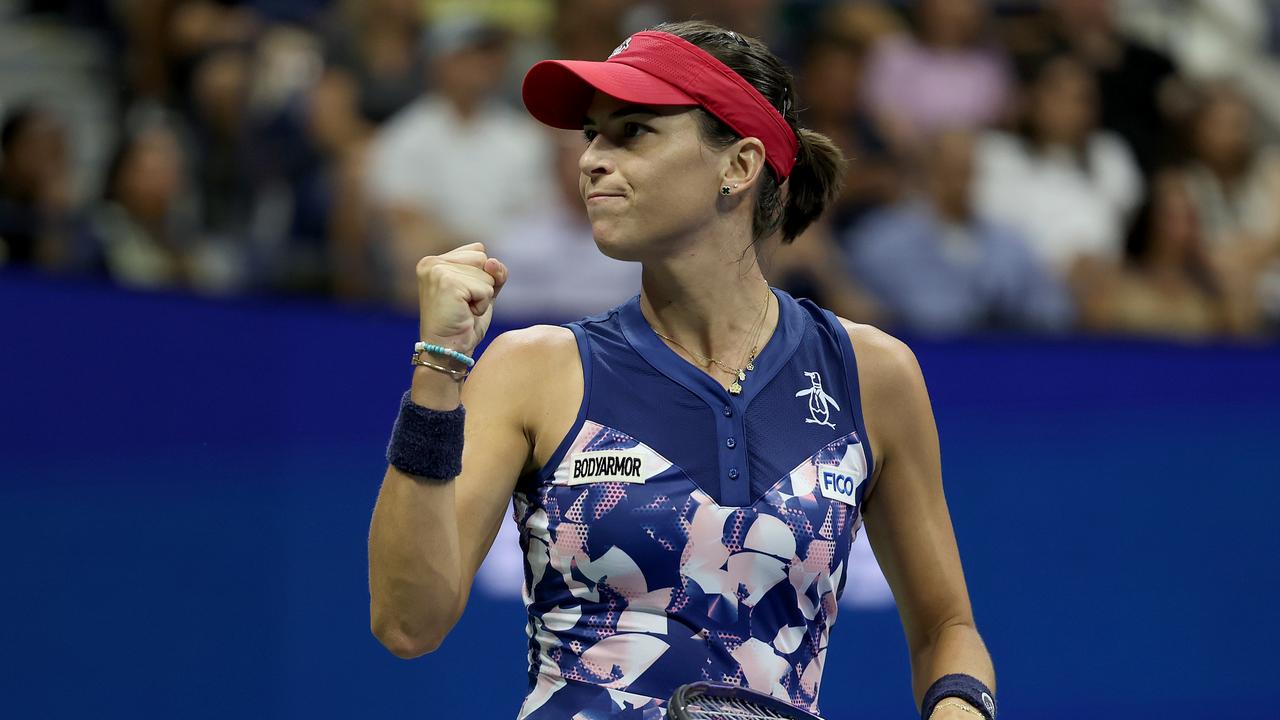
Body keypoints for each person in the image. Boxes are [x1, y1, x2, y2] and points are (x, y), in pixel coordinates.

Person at [367, 21, 996, 720]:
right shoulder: (532, 369)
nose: (591, 160)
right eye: (592, 136)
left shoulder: (870, 373)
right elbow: (407, 622)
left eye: (632, 132)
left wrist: (959, 709)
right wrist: (439, 370)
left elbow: (948, 631)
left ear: (739, 165)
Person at [848, 129, 1073, 335]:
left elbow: (1052, 308)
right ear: (926, 172)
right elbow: (858, 309)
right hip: (922, 359)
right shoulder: (882, 240)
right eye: (949, 171)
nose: (959, 183)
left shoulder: (1009, 242)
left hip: (1002, 360)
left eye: (967, 171)